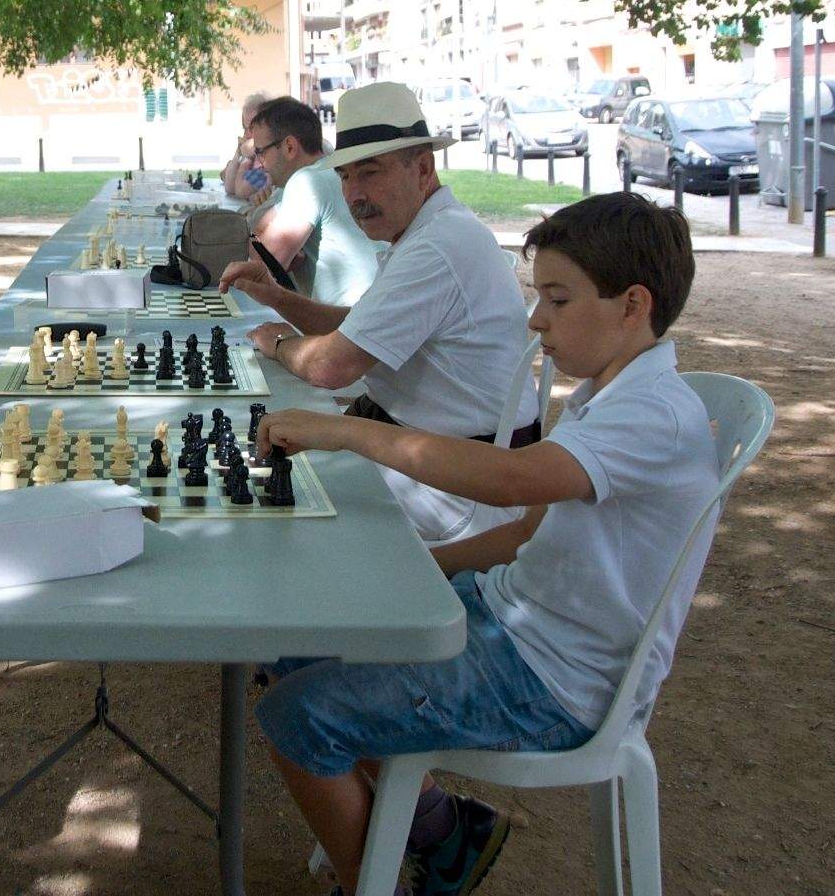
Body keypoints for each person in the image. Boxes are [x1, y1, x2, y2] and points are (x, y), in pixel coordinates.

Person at [253, 193, 719, 895]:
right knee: (299, 638)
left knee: (294, 716)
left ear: (632, 304)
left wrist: (349, 431)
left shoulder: (652, 412)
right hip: (511, 617)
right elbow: (528, 530)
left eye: (557, 300)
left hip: (553, 680)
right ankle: (442, 832)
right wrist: (406, 573)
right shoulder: (611, 390)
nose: (536, 318)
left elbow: (509, 481)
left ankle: (377, 883)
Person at [220, 81, 539, 545]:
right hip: (426, 451)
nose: (354, 195)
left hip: (460, 487)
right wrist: (277, 297)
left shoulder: (436, 247)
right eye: (346, 176)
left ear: (423, 167)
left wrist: (278, 342)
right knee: (260, 468)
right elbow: (357, 328)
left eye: (370, 173)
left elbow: (332, 366)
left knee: (265, 511)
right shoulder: (425, 231)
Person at [241, 95, 383, 306]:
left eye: (261, 152)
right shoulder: (327, 172)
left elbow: (261, 267)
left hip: (341, 324)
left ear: (289, 147)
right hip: (368, 313)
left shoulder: (307, 181)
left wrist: (261, 231)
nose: (260, 164)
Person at [221, 90, 273, 202]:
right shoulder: (251, 153)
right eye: (245, 128)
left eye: (252, 128)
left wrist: (246, 160)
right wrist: (238, 154)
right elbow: (229, 188)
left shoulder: (266, 162)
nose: (247, 134)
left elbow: (240, 191)